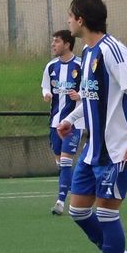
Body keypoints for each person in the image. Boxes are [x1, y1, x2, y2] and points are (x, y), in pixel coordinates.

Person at [57, 0, 127, 253]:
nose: (67, 21)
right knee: (78, 210)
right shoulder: (86, 52)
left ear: (81, 19)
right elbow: (89, 99)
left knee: (107, 214)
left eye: (70, 16)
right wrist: (70, 119)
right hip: (93, 151)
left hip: (117, 152)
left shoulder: (113, 50)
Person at [42, 29, 82, 215]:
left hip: (74, 123)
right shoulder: (51, 66)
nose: (53, 45)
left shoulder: (81, 65)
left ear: (67, 44)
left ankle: (60, 202)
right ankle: (83, 191)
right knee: (61, 164)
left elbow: (91, 90)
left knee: (66, 162)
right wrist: (46, 94)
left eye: (56, 41)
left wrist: (80, 95)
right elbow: (44, 86)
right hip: (55, 122)